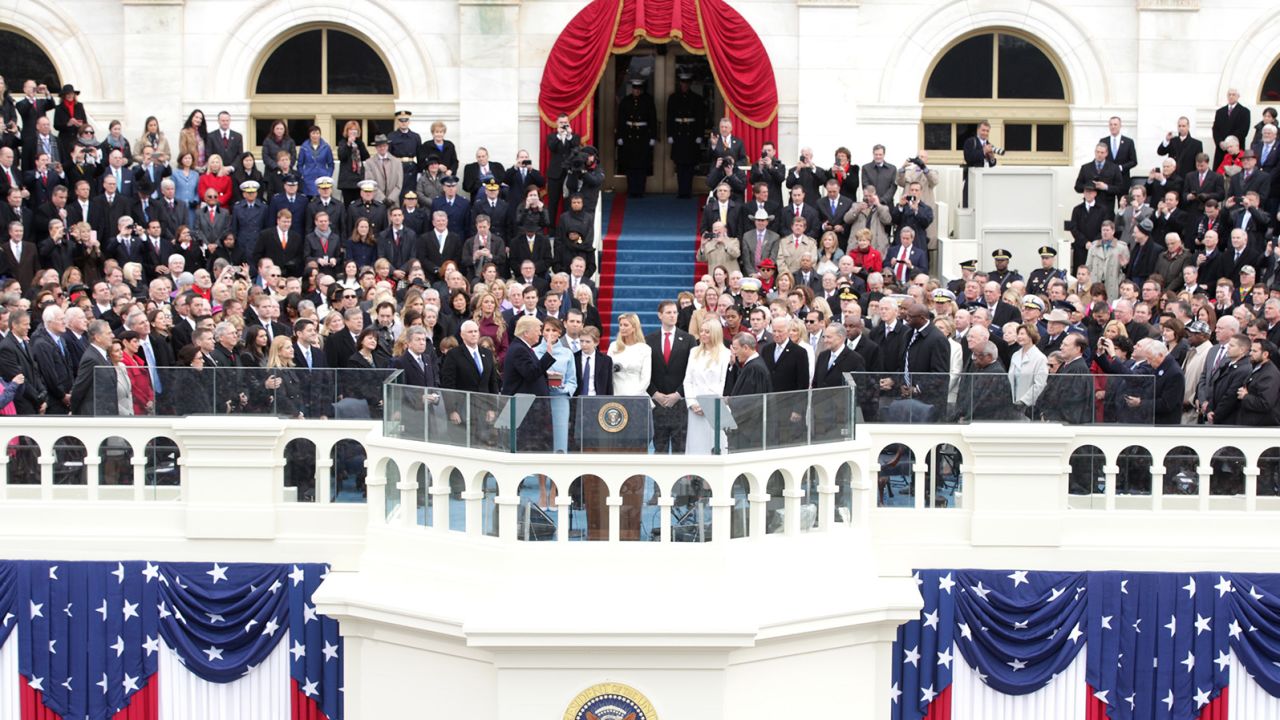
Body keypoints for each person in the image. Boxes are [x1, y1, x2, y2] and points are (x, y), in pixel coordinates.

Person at [501, 315, 556, 451]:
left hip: (528, 407)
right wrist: (548, 354)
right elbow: (531, 373)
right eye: (538, 329)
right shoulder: (519, 349)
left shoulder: (522, 348)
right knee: (525, 445)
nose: (540, 333)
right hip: (523, 408)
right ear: (526, 332)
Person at [646, 300, 693, 453]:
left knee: (680, 447)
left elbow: (691, 371)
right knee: (660, 447)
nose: (672, 316)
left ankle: (679, 478)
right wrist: (654, 393)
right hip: (657, 402)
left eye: (675, 312)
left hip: (680, 401)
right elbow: (646, 371)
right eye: (668, 312)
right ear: (660, 315)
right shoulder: (649, 340)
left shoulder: (688, 339)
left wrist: (679, 393)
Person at [682, 319, 730, 454]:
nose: (703, 334)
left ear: (715, 333)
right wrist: (692, 403)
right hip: (695, 406)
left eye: (707, 332)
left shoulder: (725, 353)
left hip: (715, 406)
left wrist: (708, 404)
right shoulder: (694, 352)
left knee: (716, 443)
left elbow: (723, 382)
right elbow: (688, 380)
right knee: (697, 444)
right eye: (701, 331)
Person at [533, 317, 577, 452]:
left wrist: (564, 389)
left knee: (560, 435)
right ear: (542, 332)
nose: (550, 333)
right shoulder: (533, 351)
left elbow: (572, 381)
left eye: (554, 330)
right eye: (547, 330)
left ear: (560, 333)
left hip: (560, 398)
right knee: (538, 435)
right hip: (540, 399)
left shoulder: (567, 353)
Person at [725, 332, 771, 451]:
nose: (733, 352)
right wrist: (732, 364)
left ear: (745, 348)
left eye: (735, 348)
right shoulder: (750, 366)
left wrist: (730, 401)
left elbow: (749, 401)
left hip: (750, 432)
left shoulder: (754, 368)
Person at [617, 79, 657, 198]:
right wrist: (620, 136)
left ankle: (640, 189)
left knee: (642, 165)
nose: (637, 91)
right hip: (629, 136)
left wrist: (653, 136)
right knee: (630, 165)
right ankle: (631, 189)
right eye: (635, 89)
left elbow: (652, 120)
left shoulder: (648, 101)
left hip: (643, 136)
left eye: (639, 89)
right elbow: (621, 120)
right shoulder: (626, 101)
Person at [71, 319, 116, 415]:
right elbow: (79, 389)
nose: (113, 336)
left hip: (107, 413)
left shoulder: (104, 355)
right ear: (97, 337)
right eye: (108, 333)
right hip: (94, 414)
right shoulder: (91, 359)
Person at [1007, 323, 1048, 415]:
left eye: (1023, 334)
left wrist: (1024, 401)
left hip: (1030, 408)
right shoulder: (1015, 355)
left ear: (1031, 335)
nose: (1019, 337)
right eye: (1018, 334)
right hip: (1012, 404)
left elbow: (1039, 384)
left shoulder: (1040, 358)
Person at [1238, 339, 1280, 426]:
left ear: (1265, 354)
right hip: (1253, 423)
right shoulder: (1258, 368)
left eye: (1254, 351)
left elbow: (1265, 404)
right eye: (1251, 350)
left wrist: (1245, 396)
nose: (1250, 353)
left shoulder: (1269, 375)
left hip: (1261, 427)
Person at [610, 312, 652, 397]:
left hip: (637, 395)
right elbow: (607, 371)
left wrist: (634, 397)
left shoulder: (645, 349)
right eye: (620, 325)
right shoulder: (613, 346)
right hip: (615, 394)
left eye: (626, 325)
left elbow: (646, 379)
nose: (622, 328)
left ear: (634, 328)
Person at [1212, 88, 1252, 171]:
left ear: (1238, 96)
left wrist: (1229, 143)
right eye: (1229, 94)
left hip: (1236, 149)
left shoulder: (1244, 111)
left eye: (1233, 94)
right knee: (1219, 174)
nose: (1231, 96)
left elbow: (1243, 130)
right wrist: (1220, 142)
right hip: (1221, 149)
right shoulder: (1220, 112)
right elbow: (1215, 129)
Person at [961, 120, 997, 207]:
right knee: (969, 203)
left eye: (987, 131)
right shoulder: (970, 142)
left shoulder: (989, 145)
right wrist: (983, 151)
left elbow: (992, 164)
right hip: (972, 178)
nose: (985, 133)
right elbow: (968, 158)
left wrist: (992, 157)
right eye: (983, 130)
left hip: (985, 180)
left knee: (984, 204)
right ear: (978, 130)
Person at [297, 125, 334, 197]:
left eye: (317, 133)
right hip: (308, 179)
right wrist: (303, 174)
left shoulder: (326, 147)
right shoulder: (304, 147)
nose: (315, 135)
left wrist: (328, 175)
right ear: (309, 134)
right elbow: (300, 164)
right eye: (313, 133)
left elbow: (331, 164)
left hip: (323, 179)